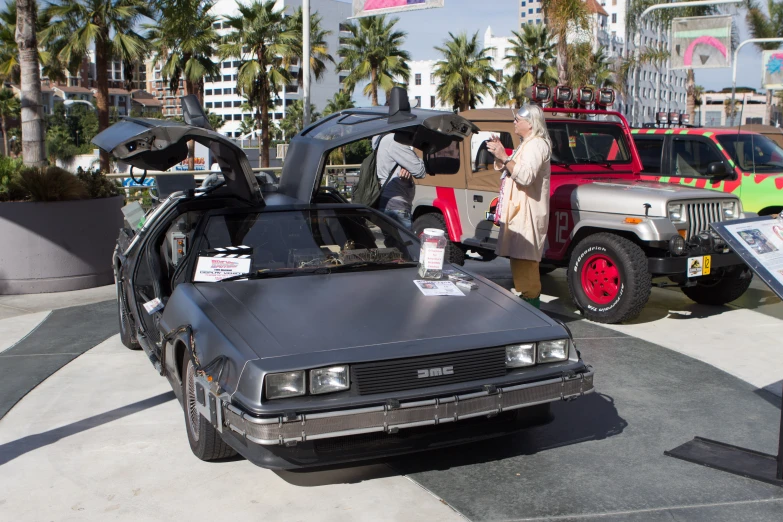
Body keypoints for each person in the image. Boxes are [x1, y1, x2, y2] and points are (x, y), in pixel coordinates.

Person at [486, 104, 552, 309]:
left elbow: (525, 176)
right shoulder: (526, 143)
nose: (514, 122)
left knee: (525, 259)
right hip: (518, 211)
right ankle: (527, 305)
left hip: (527, 212)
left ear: (530, 124)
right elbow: (512, 168)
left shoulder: (537, 145)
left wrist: (504, 156)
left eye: (518, 119)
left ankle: (531, 308)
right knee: (519, 258)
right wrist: (501, 154)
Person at [372, 133, 426, 229]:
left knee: (393, 243)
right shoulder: (393, 140)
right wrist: (416, 161)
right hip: (396, 205)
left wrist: (406, 166)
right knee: (408, 243)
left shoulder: (379, 140)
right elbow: (420, 171)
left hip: (387, 202)